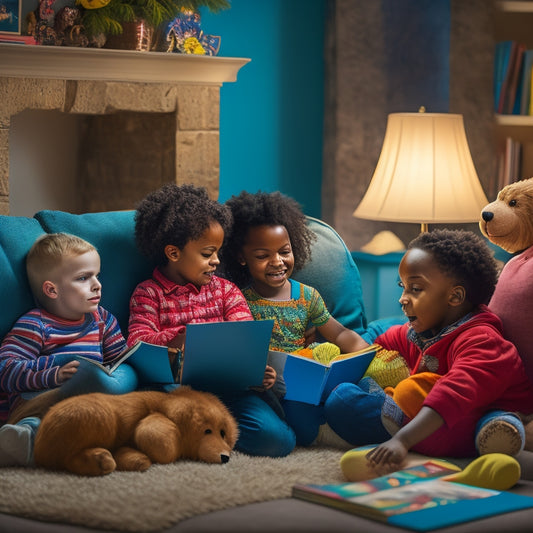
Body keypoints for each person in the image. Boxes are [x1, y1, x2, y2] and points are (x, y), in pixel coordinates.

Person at [324, 229, 533, 469]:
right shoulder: (420, 332)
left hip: (472, 413)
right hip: (442, 413)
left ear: (454, 297)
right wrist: (325, 330)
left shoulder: (482, 340)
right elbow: (372, 346)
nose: (403, 298)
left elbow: (452, 394)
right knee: (357, 386)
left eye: (415, 289)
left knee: (344, 400)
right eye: (402, 287)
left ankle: (493, 433)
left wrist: (402, 441)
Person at [127, 183, 296, 458]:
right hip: (178, 393)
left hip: (230, 390)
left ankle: (206, 433)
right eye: (207, 253)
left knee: (279, 441)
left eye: (218, 251)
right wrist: (179, 336)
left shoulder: (227, 291)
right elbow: (136, 341)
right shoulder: (148, 293)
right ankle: (202, 433)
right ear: (173, 253)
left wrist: (258, 373)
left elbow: (245, 336)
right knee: (164, 414)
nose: (217, 261)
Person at [221, 190, 370, 445]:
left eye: (284, 251)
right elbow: (235, 356)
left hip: (304, 382)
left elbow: (340, 333)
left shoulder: (307, 296)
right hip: (265, 389)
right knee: (295, 418)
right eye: (262, 256)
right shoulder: (238, 301)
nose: (277, 262)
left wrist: (366, 354)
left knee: (352, 386)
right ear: (241, 258)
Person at [0, 233, 134, 467]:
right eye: (83, 278)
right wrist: (54, 373)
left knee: (117, 387)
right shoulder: (36, 324)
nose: (97, 285)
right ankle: (26, 439)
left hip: (89, 401)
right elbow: (5, 370)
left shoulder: (102, 320)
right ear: (52, 290)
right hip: (43, 401)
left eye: (97, 275)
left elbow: (120, 361)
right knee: (41, 421)